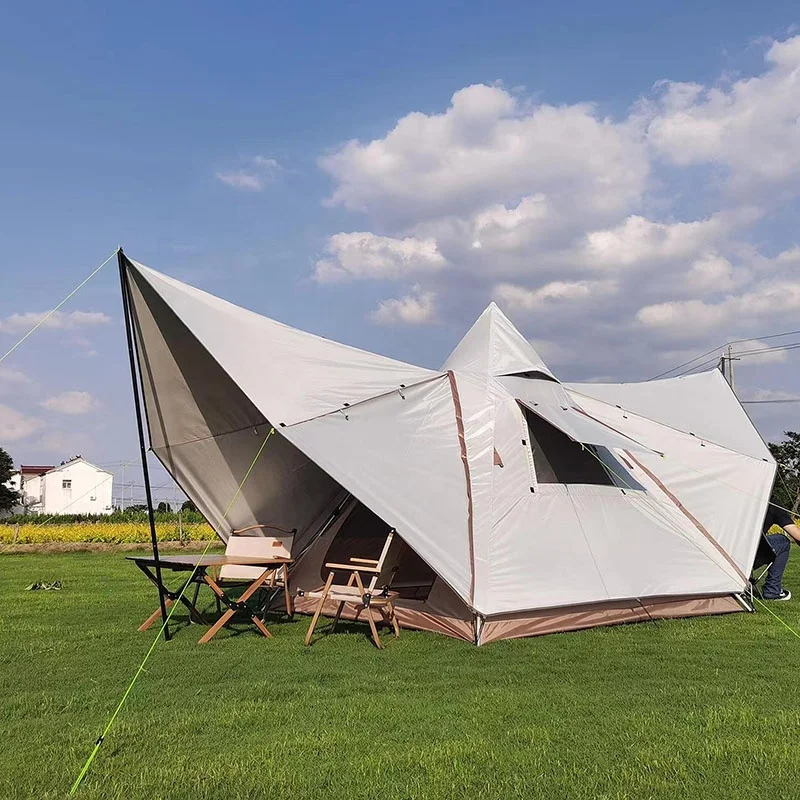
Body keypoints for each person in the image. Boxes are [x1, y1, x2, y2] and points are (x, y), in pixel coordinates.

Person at [759, 505, 800, 600]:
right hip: (752, 556)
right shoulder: (772, 504)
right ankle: (772, 590)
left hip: (726, 555)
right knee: (783, 541)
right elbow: (798, 536)